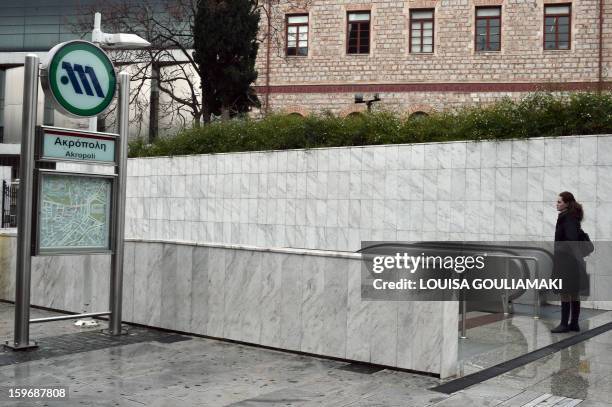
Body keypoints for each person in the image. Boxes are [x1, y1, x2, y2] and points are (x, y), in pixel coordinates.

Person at [550, 191, 587, 333]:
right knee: (573, 292)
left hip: (567, 261)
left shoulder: (568, 218)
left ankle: (565, 324)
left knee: (565, 292)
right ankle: (574, 324)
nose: (557, 204)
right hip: (572, 260)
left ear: (566, 203)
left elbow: (571, 239)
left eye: (559, 202)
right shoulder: (571, 217)